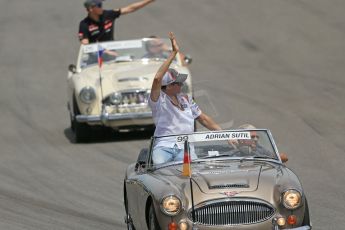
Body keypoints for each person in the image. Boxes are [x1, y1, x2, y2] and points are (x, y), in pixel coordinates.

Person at [149, 32, 222, 164]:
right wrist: (173, 53)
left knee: (191, 173)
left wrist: (224, 135)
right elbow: (157, 78)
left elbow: (203, 118)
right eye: (178, 83)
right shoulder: (159, 100)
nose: (182, 85)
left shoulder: (186, 99)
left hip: (185, 148)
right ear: (168, 86)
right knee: (159, 168)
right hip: (164, 147)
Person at [79, 0, 155, 44]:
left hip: (112, 53)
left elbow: (130, 8)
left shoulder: (108, 14)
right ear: (90, 9)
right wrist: (104, 51)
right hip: (96, 58)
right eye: (99, 5)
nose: (101, 7)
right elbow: (85, 44)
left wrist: (149, 0)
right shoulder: (84, 24)